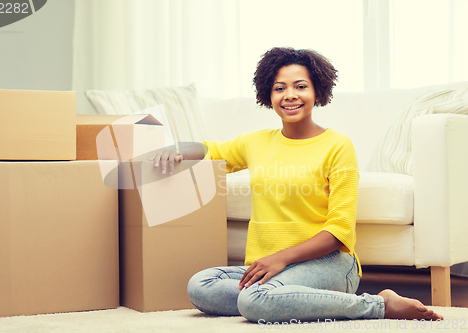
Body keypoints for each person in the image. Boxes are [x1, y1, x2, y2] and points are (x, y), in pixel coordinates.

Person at [151, 47, 443, 323]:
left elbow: (339, 232)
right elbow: (210, 150)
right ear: (269, 94)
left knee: (253, 301)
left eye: (300, 86)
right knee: (200, 285)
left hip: (330, 264)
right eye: (280, 88)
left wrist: (279, 259)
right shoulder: (255, 142)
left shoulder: (338, 146)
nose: (290, 95)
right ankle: (288, 298)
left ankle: (378, 305)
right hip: (268, 269)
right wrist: (175, 149)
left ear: (318, 91)